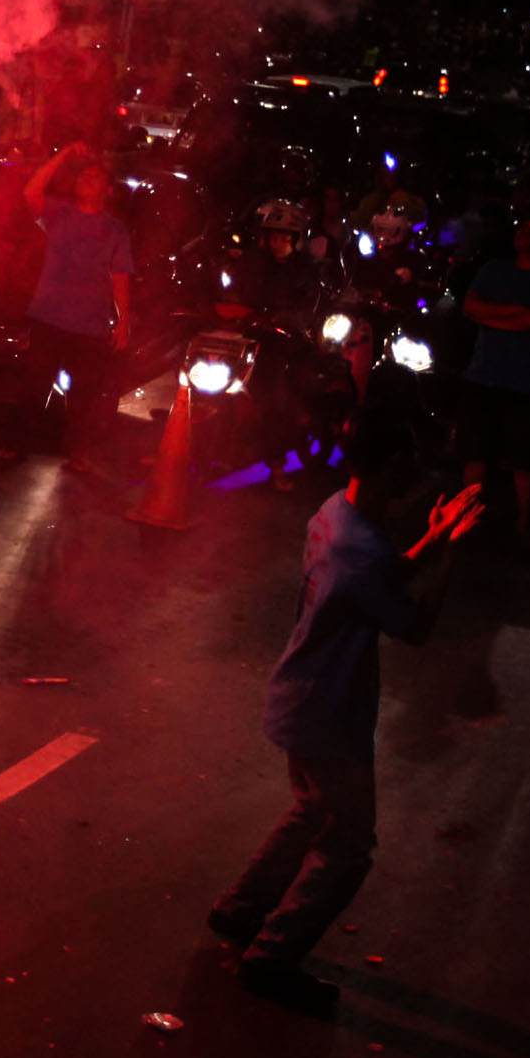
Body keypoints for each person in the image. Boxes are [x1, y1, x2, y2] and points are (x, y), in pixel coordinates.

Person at [209, 412, 485, 1016]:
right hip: (329, 712)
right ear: (391, 464)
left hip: (302, 695)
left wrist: (432, 540)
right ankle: (270, 959)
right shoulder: (358, 546)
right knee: (348, 846)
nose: (415, 467)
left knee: (312, 811)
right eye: (408, 456)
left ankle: (239, 910)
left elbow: (373, 578)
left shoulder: (336, 512)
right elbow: (413, 626)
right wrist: (454, 554)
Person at [15, 141, 132, 471]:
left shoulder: (114, 230)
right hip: (48, 317)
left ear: (107, 189)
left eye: (95, 177)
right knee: (34, 386)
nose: (86, 180)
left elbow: (120, 277)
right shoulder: (58, 213)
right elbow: (30, 192)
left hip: (90, 324)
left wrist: (123, 322)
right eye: (83, 175)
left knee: (84, 396)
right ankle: (19, 443)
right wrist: (63, 154)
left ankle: (77, 451)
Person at [458, 215, 530, 547]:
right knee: (474, 452)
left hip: (525, 382)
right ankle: (465, 519)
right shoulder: (494, 269)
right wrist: (517, 315)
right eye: (524, 227)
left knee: (525, 458)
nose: (526, 233)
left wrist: (494, 315)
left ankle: (523, 524)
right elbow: (470, 307)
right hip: (482, 376)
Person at [219, 201, 327, 492]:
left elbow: (306, 312)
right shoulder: (253, 263)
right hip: (246, 337)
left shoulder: (306, 272)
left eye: (284, 237)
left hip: (282, 344)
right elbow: (233, 293)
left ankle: (277, 464)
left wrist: (280, 319)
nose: (278, 242)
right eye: (273, 236)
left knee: (274, 397)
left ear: (296, 239)